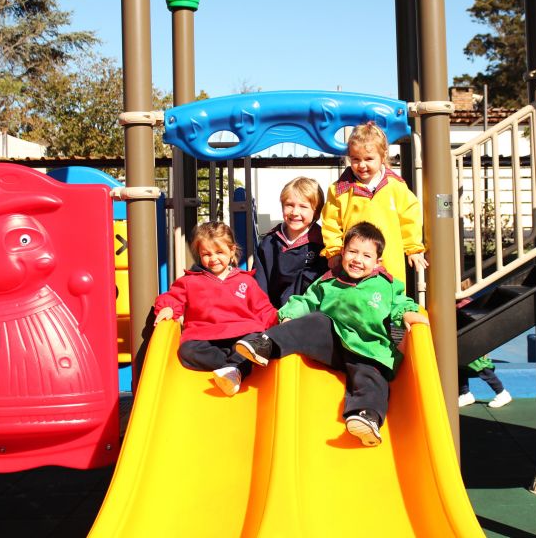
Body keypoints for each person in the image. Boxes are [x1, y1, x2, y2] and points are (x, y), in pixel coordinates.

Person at [234, 222, 429, 447]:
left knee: (371, 378)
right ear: (343, 252)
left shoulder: (386, 285)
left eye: (366, 256)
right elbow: (306, 301)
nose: (357, 259)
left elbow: (400, 303)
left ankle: (366, 416)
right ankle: (266, 344)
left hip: (369, 349)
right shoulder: (329, 280)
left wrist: (407, 314)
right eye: (353, 252)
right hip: (333, 344)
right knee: (317, 320)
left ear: (378, 262)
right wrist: (289, 315)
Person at [153, 221, 278, 397]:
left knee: (254, 344)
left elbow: (263, 308)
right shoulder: (190, 281)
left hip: (241, 333)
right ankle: (234, 366)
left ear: (232, 251)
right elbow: (173, 296)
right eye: (206, 254)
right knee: (187, 351)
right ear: (199, 254)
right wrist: (168, 307)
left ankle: (234, 367)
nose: (213, 258)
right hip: (204, 335)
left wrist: (279, 321)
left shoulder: (246, 281)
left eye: (219, 252)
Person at [320, 121, 427, 288]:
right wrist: (334, 251)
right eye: (355, 159)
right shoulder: (340, 190)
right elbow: (331, 222)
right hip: (355, 261)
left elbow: (409, 216)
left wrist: (413, 248)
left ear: (383, 157)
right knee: (355, 295)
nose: (362, 165)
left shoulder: (395, 186)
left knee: (389, 292)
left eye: (369, 159)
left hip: (388, 259)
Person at [253, 177, 329, 308]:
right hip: (271, 312)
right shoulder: (269, 243)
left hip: (308, 313)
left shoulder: (323, 245)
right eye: (289, 205)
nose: (295, 212)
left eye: (303, 206)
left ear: (316, 212)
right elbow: (259, 283)